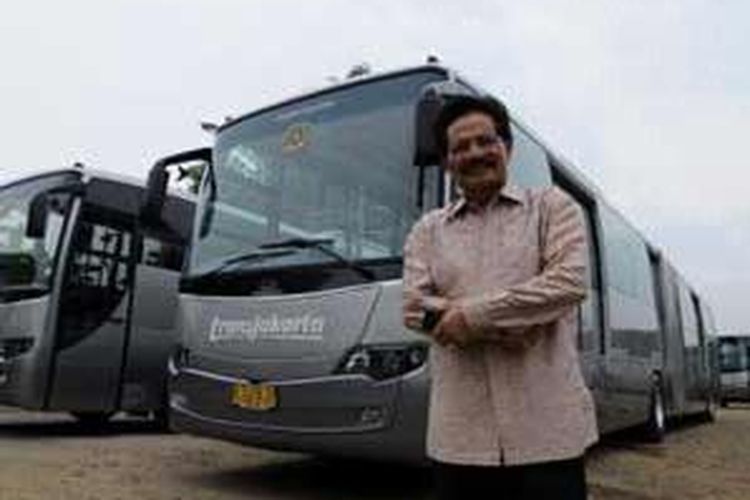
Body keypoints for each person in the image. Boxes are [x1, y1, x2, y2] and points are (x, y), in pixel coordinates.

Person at [403, 94, 598, 500]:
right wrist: (515, 322)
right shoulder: (427, 231)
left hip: (548, 435)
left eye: (485, 141)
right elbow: (414, 309)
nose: (475, 153)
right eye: (460, 147)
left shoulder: (552, 208)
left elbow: (568, 284)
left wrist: (470, 317)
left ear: (507, 147)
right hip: (459, 439)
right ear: (447, 162)